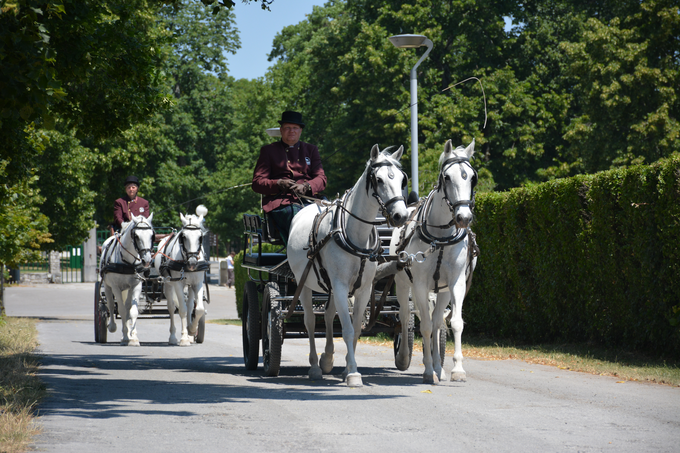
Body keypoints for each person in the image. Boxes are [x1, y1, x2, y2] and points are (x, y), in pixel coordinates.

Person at [252, 111, 327, 243]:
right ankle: (299, 254)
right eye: (287, 128)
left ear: (300, 131)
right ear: (281, 130)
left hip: (310, 200)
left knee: (333, 215)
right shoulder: (269, 151)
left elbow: (321, 179)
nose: (291, 131)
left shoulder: (311, 150)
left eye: (295, 128)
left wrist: (306, 186)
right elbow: (257, 182)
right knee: (298, 217)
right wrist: (278, 183)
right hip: (281, 203)